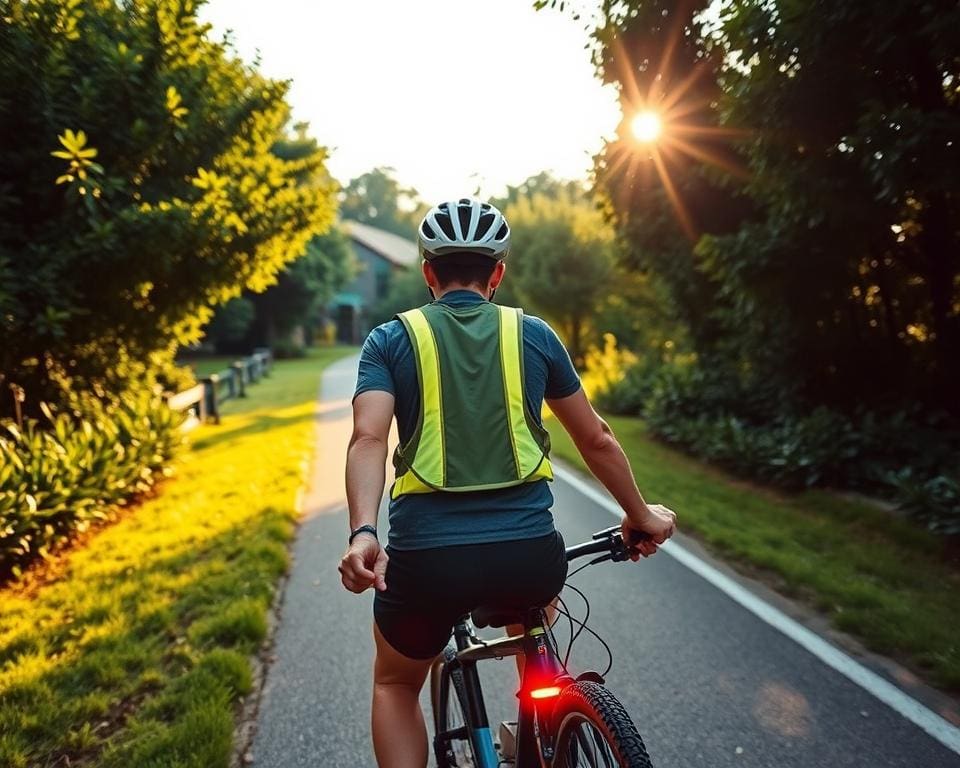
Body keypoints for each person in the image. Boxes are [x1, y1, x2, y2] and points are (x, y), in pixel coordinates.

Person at [339, 197, 677, 768]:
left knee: (397, 685)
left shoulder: (389, 340)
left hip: (427, 560)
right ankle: (540, 735)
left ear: (428, 273)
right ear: (497, 273)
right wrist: (641, 515)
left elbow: (368, 440)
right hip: (526, 555)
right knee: (537, 622)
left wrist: (363, 532)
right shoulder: (535, 335)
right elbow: (595, 438)